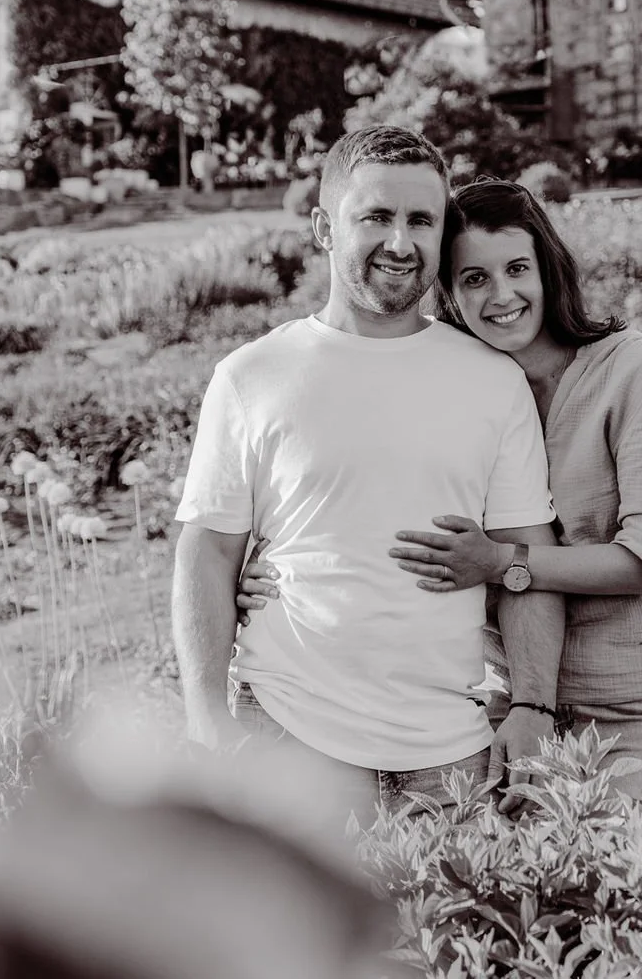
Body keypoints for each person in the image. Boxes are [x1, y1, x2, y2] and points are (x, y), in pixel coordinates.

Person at [241, 178, 642, 818]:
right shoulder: (466, 388)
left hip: (638, 705)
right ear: (448, 291)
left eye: (517, 269)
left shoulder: (636, 375)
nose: (500, 296)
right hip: (509, 708)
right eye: (474, 279)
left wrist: (500, 563)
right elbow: (381, 508)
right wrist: (270, 570)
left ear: (548, 268)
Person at [172, 129, 568, 827]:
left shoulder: (492, 379)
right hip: (289, 737)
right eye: (376, 217)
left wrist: (534, 705)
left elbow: (526, 556)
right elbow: (207, 549)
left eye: (421, 220)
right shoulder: (252, 377)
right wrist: (207, 718)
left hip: (453, 754)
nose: (400, 241)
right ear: (325, 228)